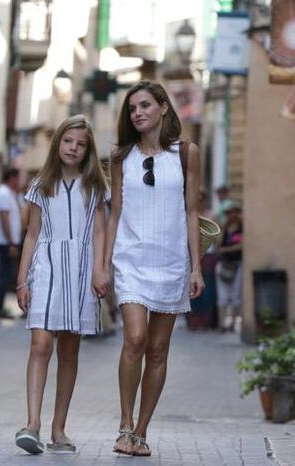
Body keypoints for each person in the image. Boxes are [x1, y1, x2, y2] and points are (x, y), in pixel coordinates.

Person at [104, 81, 204, 457]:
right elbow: (114, 215)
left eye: (145, 105)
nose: (138, 113)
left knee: (159, 349)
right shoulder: (120, 157)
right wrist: (103, 266)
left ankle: (141, 433)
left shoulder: (186, 154)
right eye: (132, 108)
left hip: (172, 261)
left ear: (164, 107)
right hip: (131, 259)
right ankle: (124, 423)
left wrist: (196, 267)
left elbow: (192, 212)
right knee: (135, 338)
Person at [14, 115, 109, 455]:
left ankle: (59, 427)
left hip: (82, 270)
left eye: (81, 144)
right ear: (58, 144)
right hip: (47, 267)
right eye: (68, 141)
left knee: (70, 349)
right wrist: (22, 278)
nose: (74, 148)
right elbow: (32, 234)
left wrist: (100, 270)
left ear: (88, 150)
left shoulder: (96, 185)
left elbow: (99, 232)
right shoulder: (42, 184)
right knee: (40, 344)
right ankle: (32, 424)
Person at [0, 168, 22, 318]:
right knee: (5, 275)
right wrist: (11, 243)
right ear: (11, 178)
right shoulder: (3, 193)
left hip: (7, 241)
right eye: (17, 178)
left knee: (6, 274)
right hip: (4, 242)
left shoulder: (9, 193)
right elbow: (4, 218)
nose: (19, 182)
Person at [188, 189, 218, 330]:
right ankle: (194, 320)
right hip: (192, 256)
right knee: (191, 288)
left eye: (201, 199)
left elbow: (217, 238)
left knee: (208, 288)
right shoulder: (189, 215)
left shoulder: (212, 215)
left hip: (209, 255)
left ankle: (206, 321)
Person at [216, 200, 243, 332]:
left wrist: (226, 250)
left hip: (237, 263)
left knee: (236, 295)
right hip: (224, 264)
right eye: (226, 213)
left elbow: (242, 245)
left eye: (231, 212)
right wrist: (224, 228)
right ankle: (222, 323)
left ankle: (234, 322)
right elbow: (218, 245)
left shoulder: (242, 228)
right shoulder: (225, 228)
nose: (228, 215)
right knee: (223, 295)